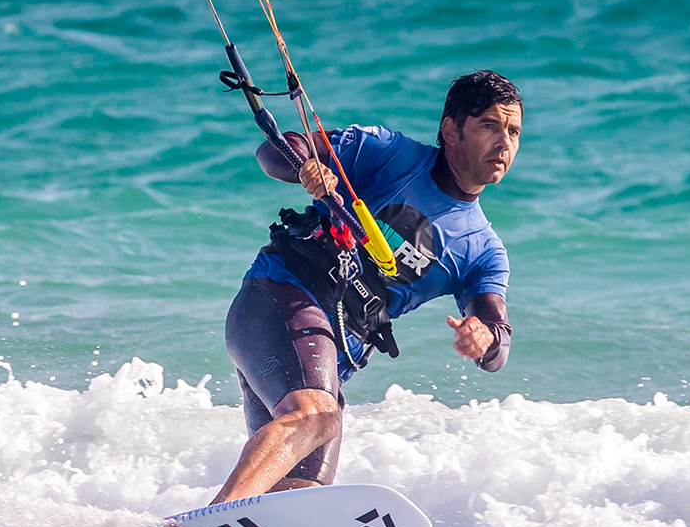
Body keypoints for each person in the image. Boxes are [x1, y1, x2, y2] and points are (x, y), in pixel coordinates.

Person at [212, 69, 520, 504]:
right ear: (452, 130)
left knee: (300, 495)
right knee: (317, 416)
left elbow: (498, 338)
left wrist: (485, 338)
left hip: (327, 360)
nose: (504, 142)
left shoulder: (482, 249)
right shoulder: (387, 153)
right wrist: (306, 167)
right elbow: (276, 149)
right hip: (278, 301)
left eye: (513, 131)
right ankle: (199, 526)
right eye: (489, 126)